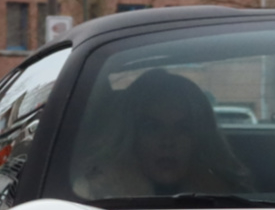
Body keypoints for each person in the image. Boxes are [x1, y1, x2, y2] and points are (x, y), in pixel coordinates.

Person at [74, 67, 253, 199]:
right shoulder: (92, 190)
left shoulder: (232, 198)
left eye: (183, 128)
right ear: (130, 134)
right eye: (152, 127)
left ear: (199, 137)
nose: (168, 141)